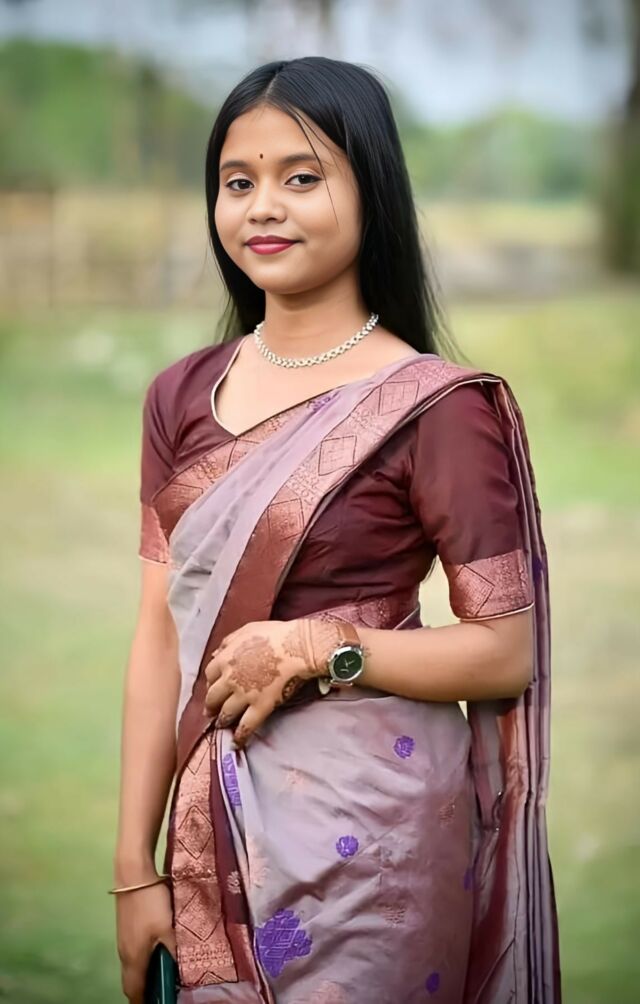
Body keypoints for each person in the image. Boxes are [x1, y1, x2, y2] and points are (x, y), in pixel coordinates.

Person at [112, 56, 561, 1004]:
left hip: (378, 842)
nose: (263, 207)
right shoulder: (179, 398)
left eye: (301, 177)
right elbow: (158, 636)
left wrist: (321, 649)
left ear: (371, 192)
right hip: (207, 824)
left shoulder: (435, 407)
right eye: (239, 182)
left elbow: (505, 650)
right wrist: (133, 868)